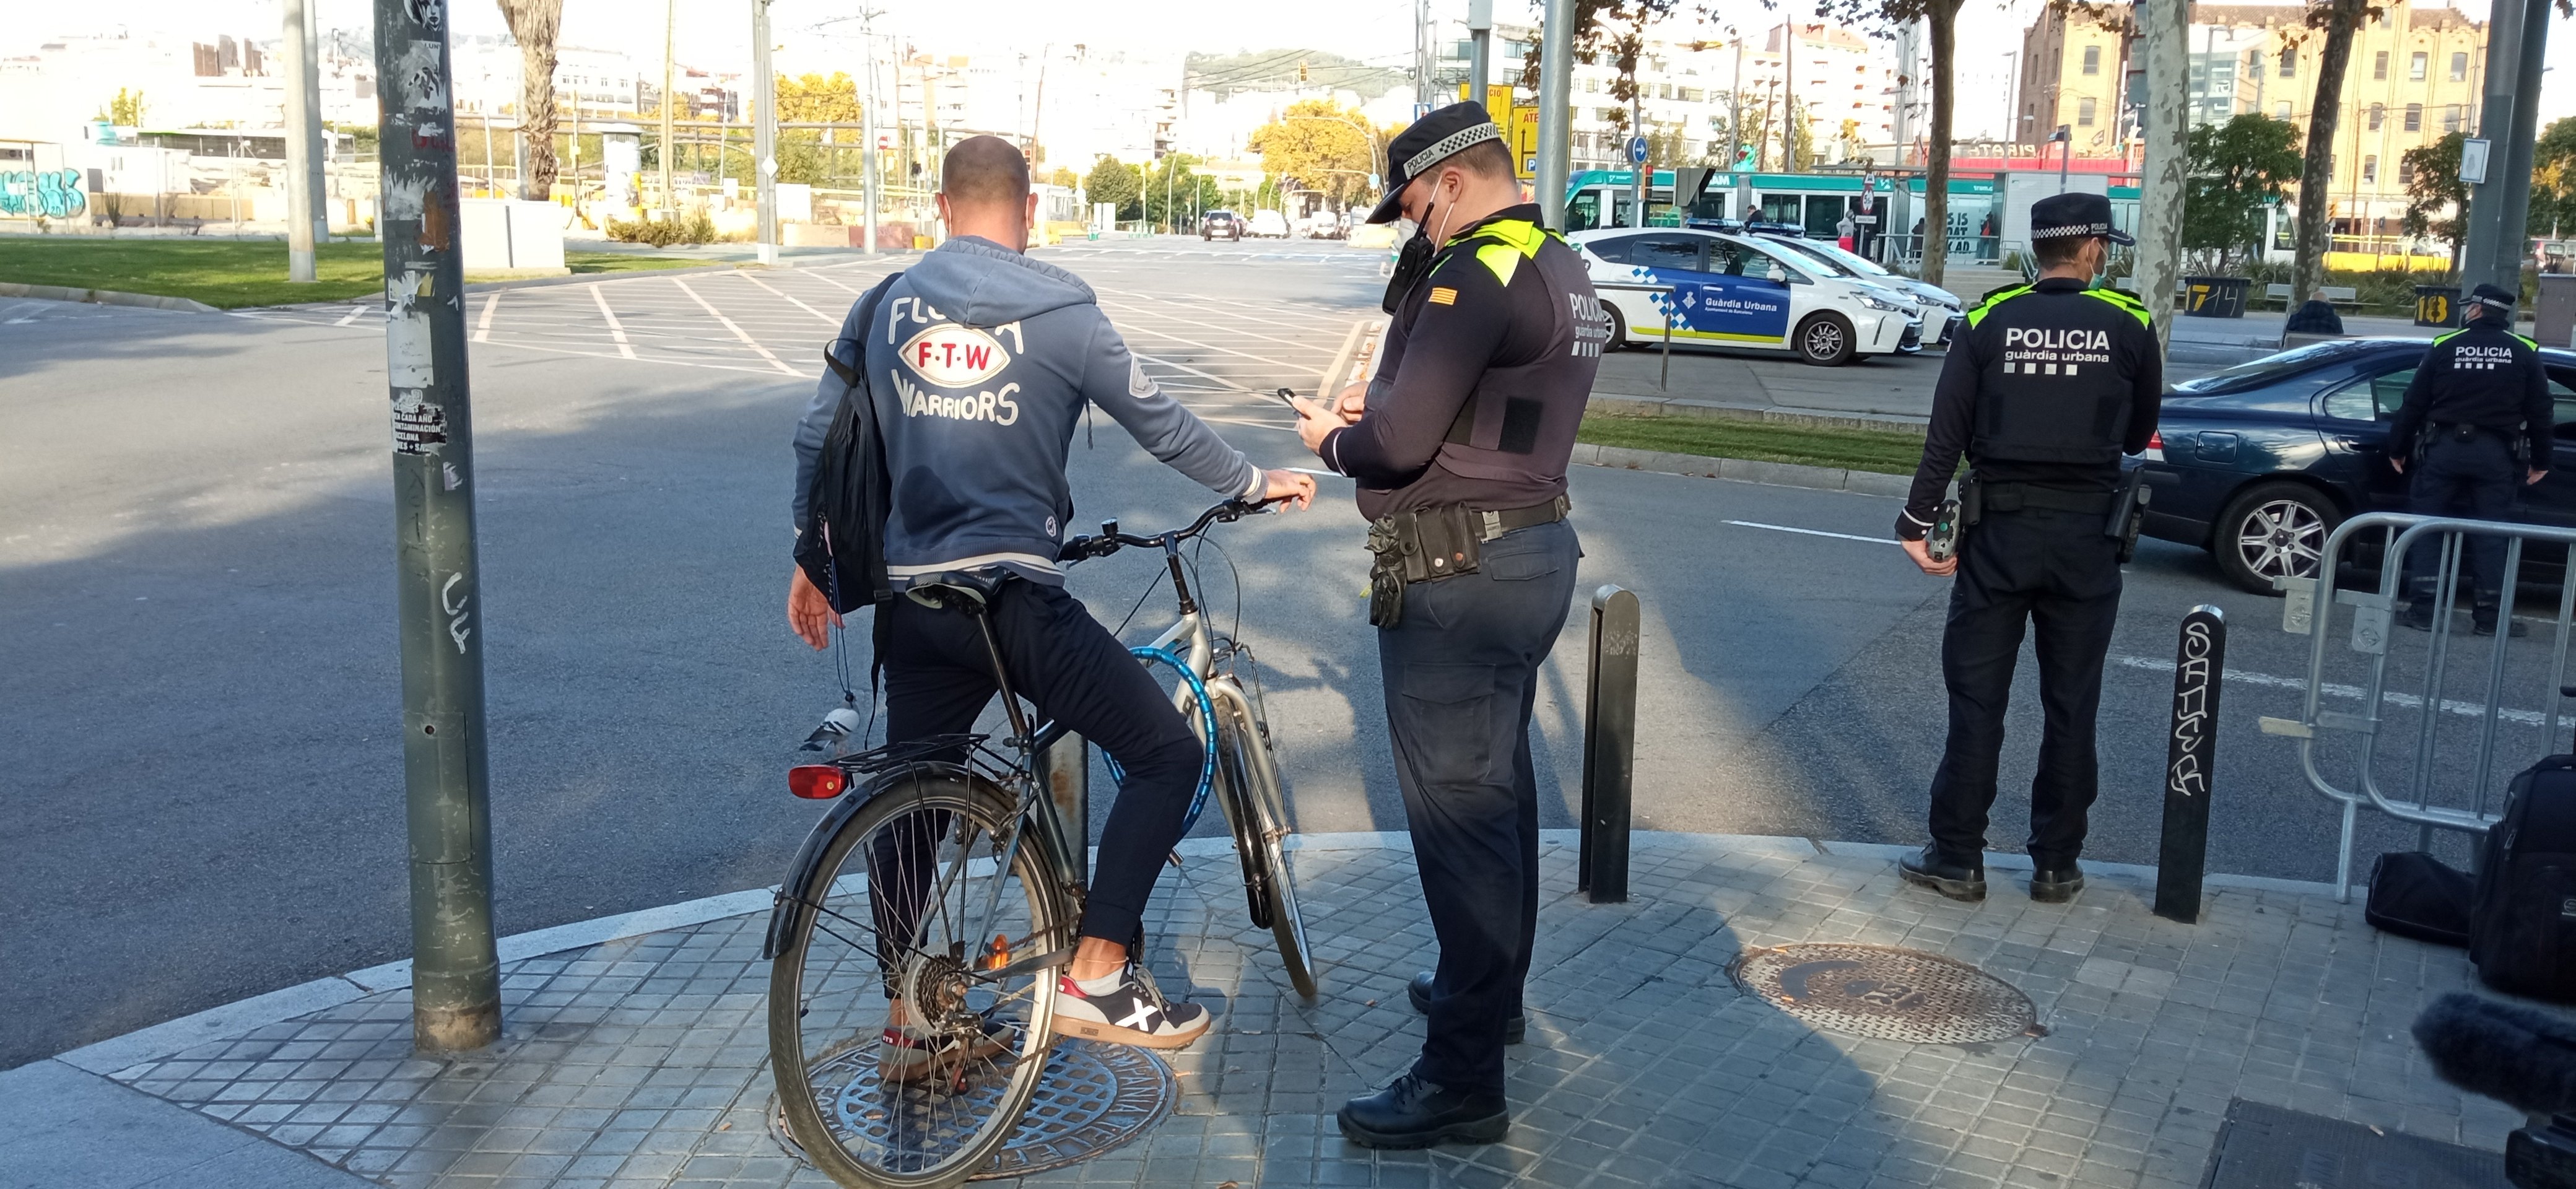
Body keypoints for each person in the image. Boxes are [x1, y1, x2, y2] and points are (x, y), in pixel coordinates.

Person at [785, 136, 1315, 1068]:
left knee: (913, 802)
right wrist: (1252, 478)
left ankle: (912, 1020)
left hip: (914, 607)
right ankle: (1097, 973)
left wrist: (814, 555)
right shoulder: (1066, 310)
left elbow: (817, 438)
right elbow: (1162, 423)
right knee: (1163, 754)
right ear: (1028, 212)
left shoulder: (884, 304)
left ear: (943, 209)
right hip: (1013, 602)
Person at [1290, 103, 1610, 1148]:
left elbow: (1398, 441)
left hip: (1457, 576)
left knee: (1459, 824)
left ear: (1453, 181)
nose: (1413, 226)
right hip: (1528, 551)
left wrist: (1334, 442)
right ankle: (1493, 994)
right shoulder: (1561, 263)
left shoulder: (1472, 273)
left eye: (1416, 205)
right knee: (1498, 794)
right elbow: (1488, 412)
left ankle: (1462, 1079)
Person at [1892, 191, 2162, 905]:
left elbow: (1943, 433)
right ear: (2094, 250)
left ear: (2033, 252)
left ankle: (1956, 858)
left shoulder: (1986, 319)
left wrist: (1915, 521)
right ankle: (2055, 864)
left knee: (1976, 703)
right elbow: (2138, 435)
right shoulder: (2129, 322)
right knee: (2071, 705)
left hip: (1997, 539)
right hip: (2087, 540)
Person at [2388, 283, 2550, 637]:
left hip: (2443, 450)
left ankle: (2423, 611)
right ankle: (2490, 619)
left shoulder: (2445, 346)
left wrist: (2397, 448)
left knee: (2426, 528)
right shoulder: (2525, 350)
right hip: (2497, 456)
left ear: (2477, 310)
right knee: (2492, 536)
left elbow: (2413, 402)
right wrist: (2542, 459)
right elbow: (2541, 410)